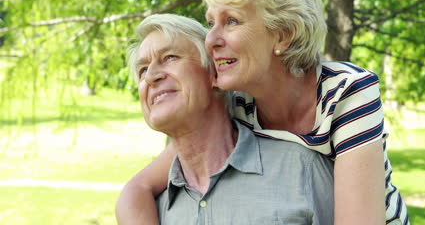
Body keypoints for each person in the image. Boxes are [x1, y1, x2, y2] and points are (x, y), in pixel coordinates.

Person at [116, 0, 409, 224]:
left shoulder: (346, 92)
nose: (211, 40)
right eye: (210, 23)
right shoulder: (237, 101)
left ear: (282, 33)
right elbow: (137, 188)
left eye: (231, 21)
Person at [118, 13, 335, 224]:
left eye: (170, 58)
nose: (151, 76)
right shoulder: (152, 211)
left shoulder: (301, 171)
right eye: (142, 69)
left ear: (214, 73)